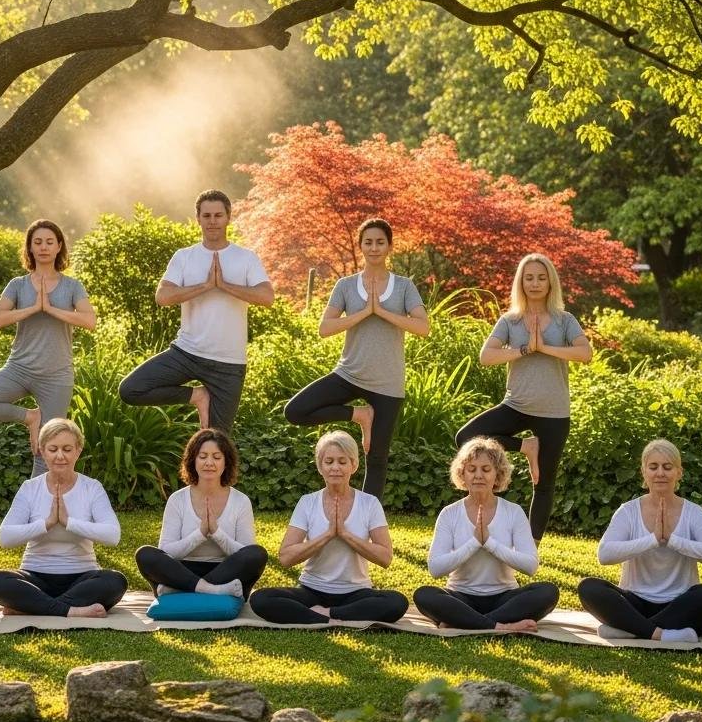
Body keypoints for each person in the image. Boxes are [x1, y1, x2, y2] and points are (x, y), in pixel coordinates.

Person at [284, 218, 429, 499]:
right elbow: (325, 328)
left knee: (376, 458)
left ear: (389, 247)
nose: (374, 248)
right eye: (368, 242)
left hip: (387, 383)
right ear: (361, 246)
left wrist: (382, 311)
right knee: (296, 411)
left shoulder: (403, 287)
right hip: (349, 374)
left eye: (380, 242)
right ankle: (359, 415)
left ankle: (367, 523)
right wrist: (364, 312)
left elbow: (422, 327)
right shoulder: (346, 286)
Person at [454, 253, 592, 540]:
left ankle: (531, 545)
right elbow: (486, 356)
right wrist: (526, 349)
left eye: (541, 277)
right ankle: (525, 447)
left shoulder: (564, 320)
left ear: (551, 282)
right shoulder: (511, 321)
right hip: (516, 405)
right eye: (529, 277)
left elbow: (585, 353)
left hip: (554, 412)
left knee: (543, 482)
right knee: (466, 437)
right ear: (521, 282)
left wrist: (545, 348)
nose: (535, 283)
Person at [119, 189, 273, 434]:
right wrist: (204, 286)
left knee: (218, 442)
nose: (213, 221)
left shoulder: (246, 258)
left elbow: (267, 297)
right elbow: (163, 297)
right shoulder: (184, 257)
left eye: (218, 215)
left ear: (228, 217)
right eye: (207, 215)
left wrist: (224, 286)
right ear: (198, 218)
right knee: (131, 389)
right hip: (186, 353)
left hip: (229, 364)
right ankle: (197, 396)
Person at [0, 219, 95, 477]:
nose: (43, 247)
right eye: (37, 242)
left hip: (56, 375)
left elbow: (90, 321)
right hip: (19, 369)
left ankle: (40, 512)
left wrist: (51, 308)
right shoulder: (18, 285)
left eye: (49, 242)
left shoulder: (72, 286)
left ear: (59, 247)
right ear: (30, 248)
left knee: (47, 451)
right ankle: (30, 417)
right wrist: (33, 308)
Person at [249, 431, 408, 625]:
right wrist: (327, 535)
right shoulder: (308, 502)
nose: (335, 468)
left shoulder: (369, 503)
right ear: (320, 466)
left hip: (356, 592)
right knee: (261, 599)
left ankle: (326, 614)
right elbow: (286, 557)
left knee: (397, 602)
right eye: (329, 461)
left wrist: (344, 534)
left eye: (342, 462)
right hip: (311, 590)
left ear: (354, 465)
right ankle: (332, 615)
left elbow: (385, 557)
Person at [578, 439, 702, 643]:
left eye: (667, 467)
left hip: (679, 603)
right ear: (644, 472)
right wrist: (653, 540)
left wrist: (672, 540)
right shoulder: (628, 511)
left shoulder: (694, 513)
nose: (660, 473)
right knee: (589, 587)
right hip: (634, 603)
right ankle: (660, 634)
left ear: (678, 472)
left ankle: (630, 630)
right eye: (653, 467)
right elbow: (604, 555)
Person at [0, 418, 127, 618]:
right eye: (53, 449)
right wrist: (47, 523)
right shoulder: (30, 488)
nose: (60, 456)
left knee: (115, 581)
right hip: (35, 576)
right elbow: (5, 537)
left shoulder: (92, 487)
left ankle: (31, 607)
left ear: (78, 450)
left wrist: (69, 523)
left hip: (82, 578)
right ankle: (71, 610)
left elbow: (113, 535)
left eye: (67, 449)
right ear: (42, 451)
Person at [413, 437, 559, 632]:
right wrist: (474, 543)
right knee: (424, 595)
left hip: (504, 598)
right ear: (462, 474)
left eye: (486, 469)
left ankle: (464, 622)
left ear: (497, 475)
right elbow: (435, 568)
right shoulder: (450, 513)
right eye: (471, 469)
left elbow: (530, 565)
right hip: (461, 597)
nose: (478, 475)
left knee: (547, 592)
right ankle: (498, 626)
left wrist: (490, 543)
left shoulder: (513, 512)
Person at [135, 429, 268, 599]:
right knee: (145, 554)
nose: (209, 463)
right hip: (182, 571)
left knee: (257, 554)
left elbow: (245, 552)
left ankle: (182, 591)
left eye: (217, 457)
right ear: (193, 461)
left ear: (226, 462)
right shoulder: (178, 499)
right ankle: (210, 591)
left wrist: (216, 533)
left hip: (225, 572)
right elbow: (167, 552)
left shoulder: (240, 501)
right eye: (203, 456)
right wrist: (200, 533)